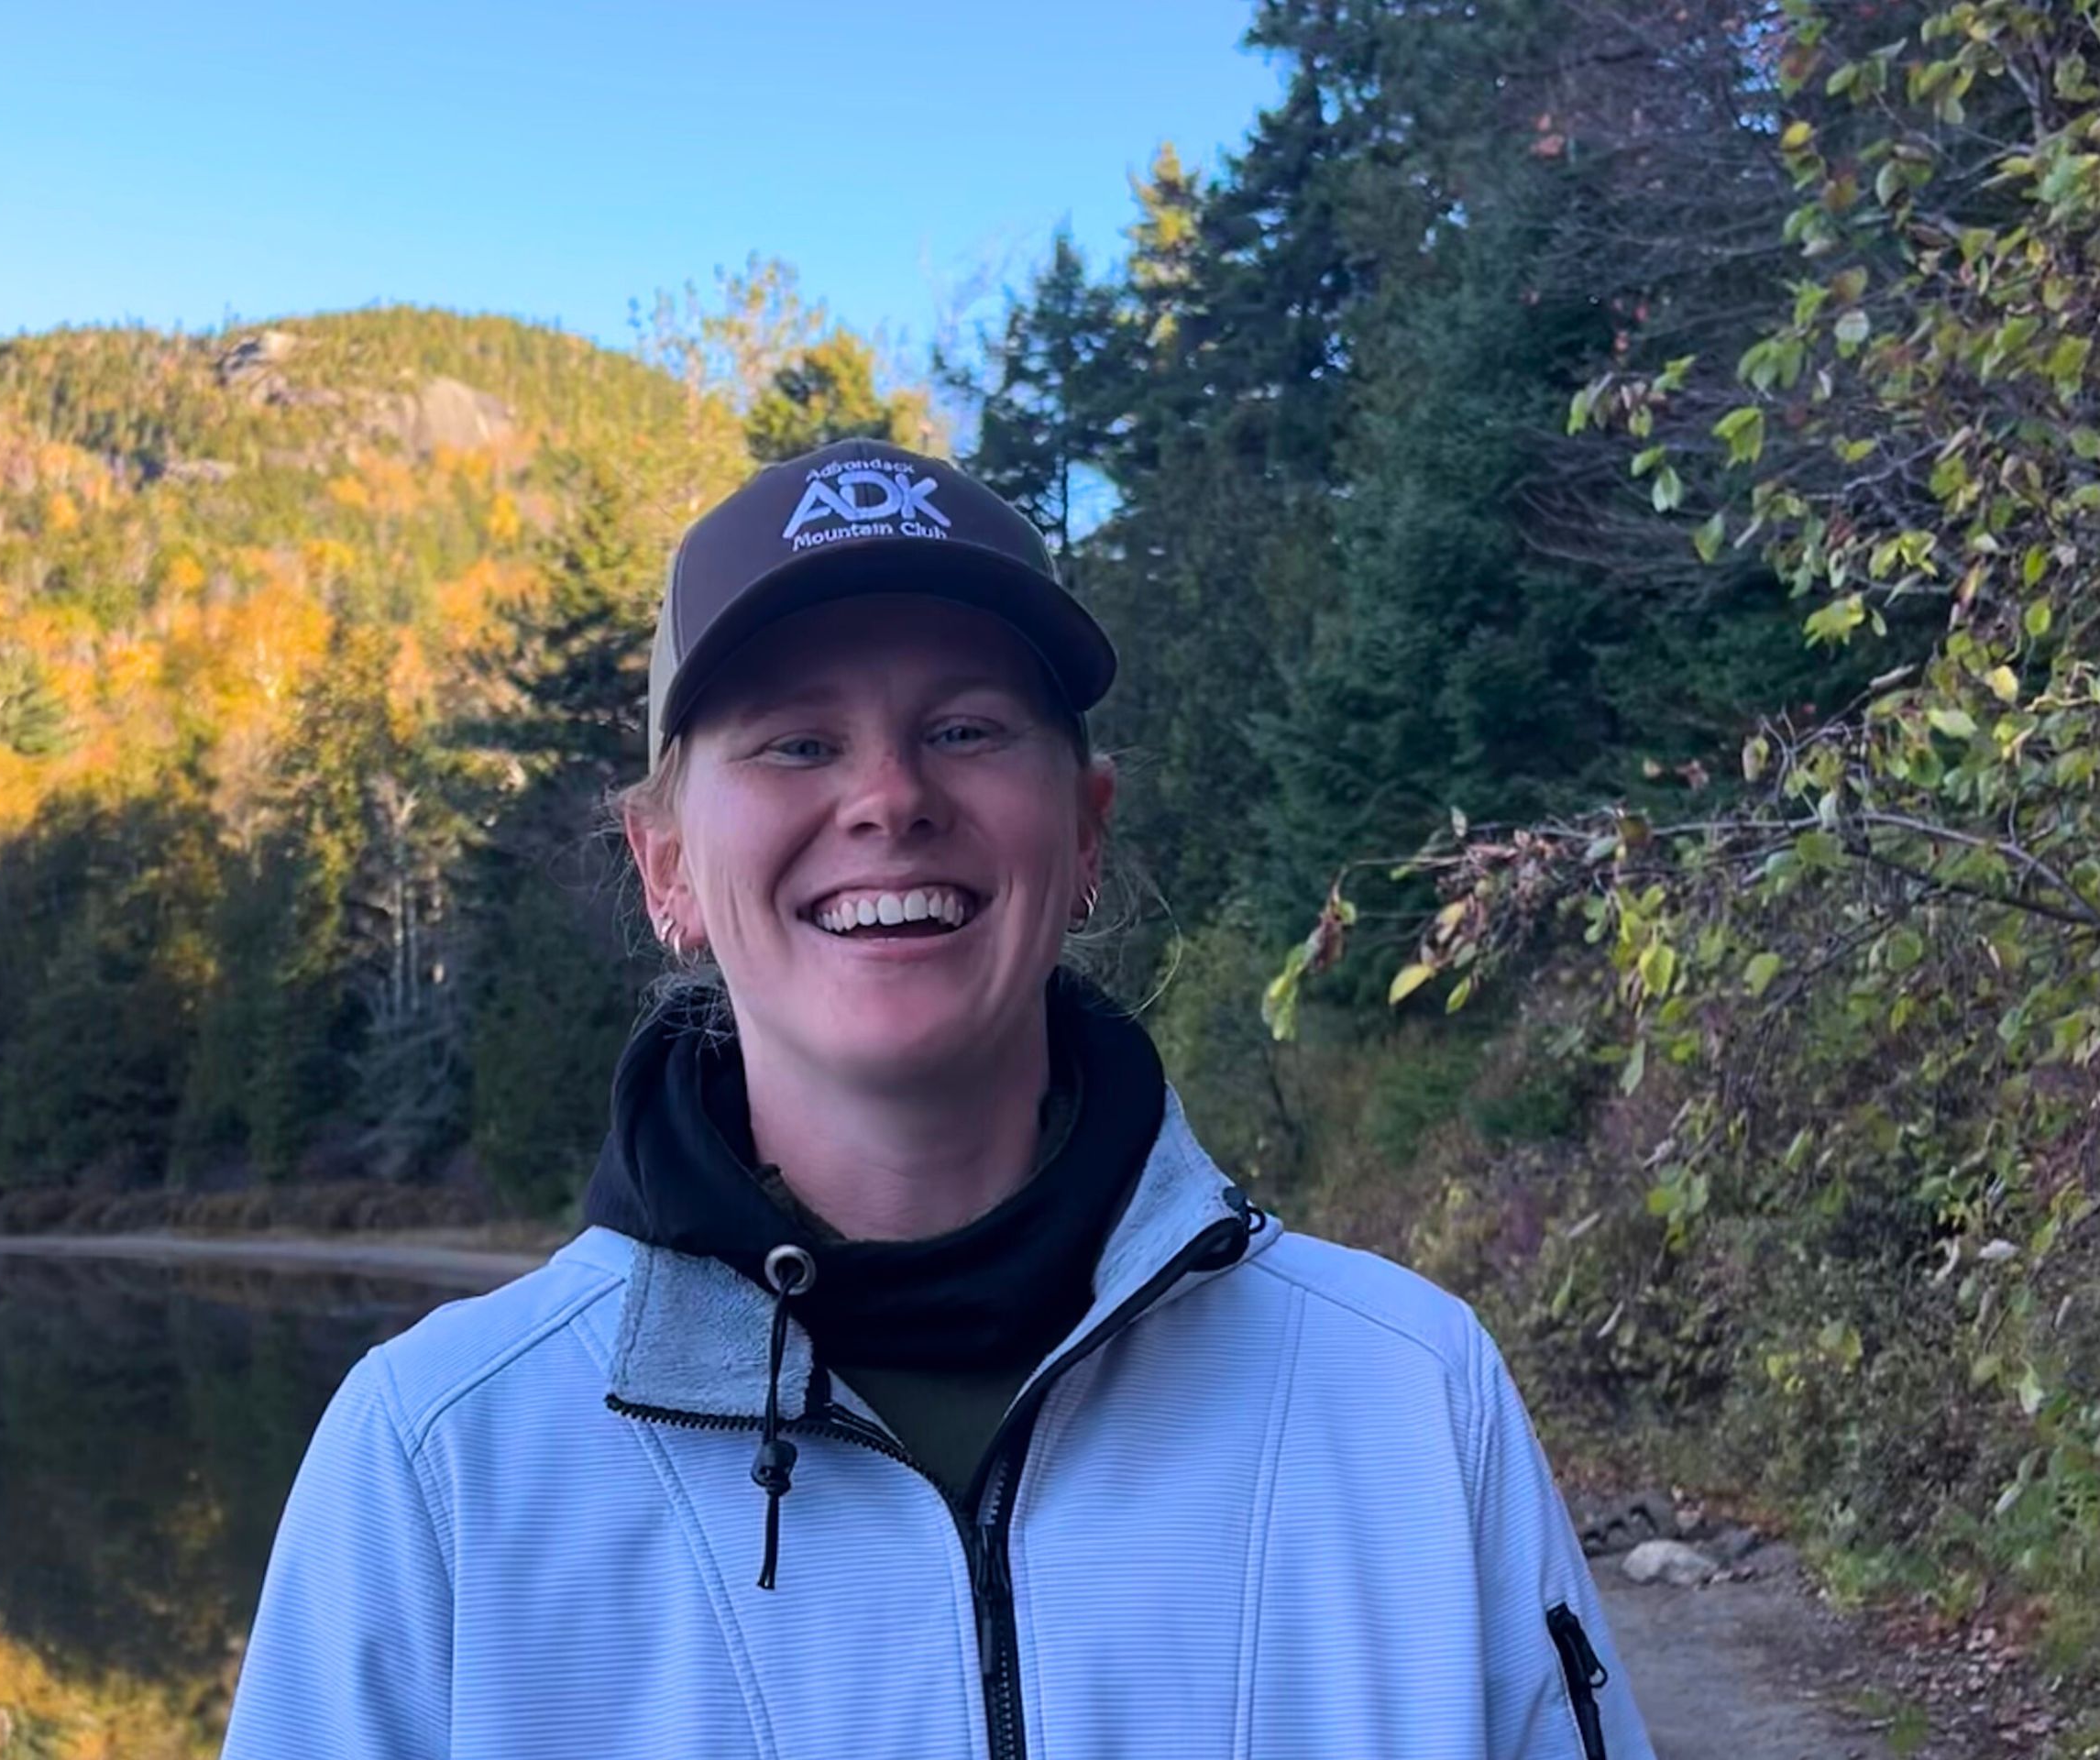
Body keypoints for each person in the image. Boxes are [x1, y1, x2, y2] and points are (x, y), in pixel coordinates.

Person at [219, 438, 1655, 1760]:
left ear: (1083, 833)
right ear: (665, 867)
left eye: (966, 729)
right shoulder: (440, 1464)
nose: (890, 797)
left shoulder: (1408, 1401)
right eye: (795, 742)